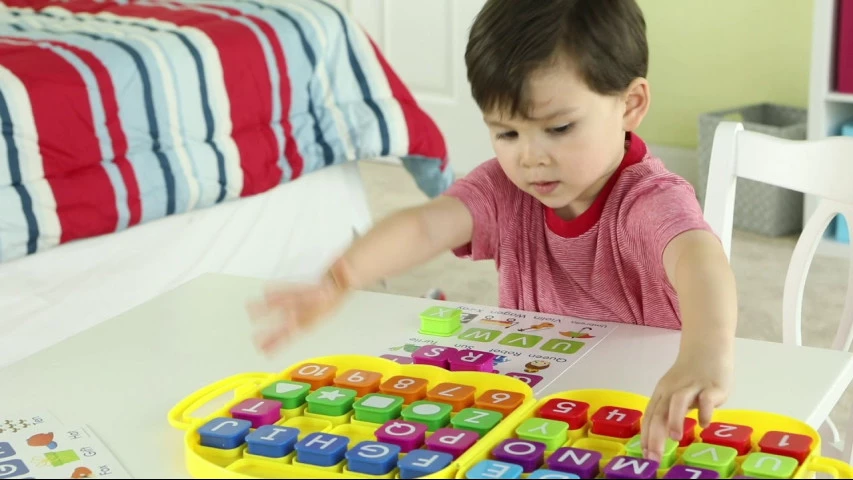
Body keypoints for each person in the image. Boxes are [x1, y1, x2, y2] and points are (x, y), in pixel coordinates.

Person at [247, 0, 737, 463]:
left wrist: (703, 354)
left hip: (642, 413)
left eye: (558, 128)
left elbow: (700, 259)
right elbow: (426, 225)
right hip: (535, 410)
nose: (530, 157)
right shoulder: (505, 188)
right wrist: (341, 277)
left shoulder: (649, 199)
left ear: (630, 104)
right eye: (507, 133)